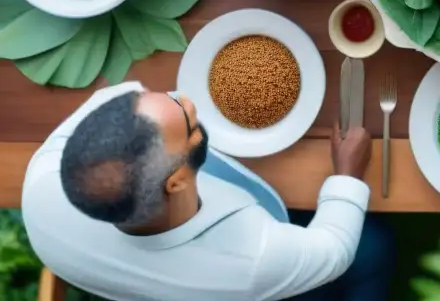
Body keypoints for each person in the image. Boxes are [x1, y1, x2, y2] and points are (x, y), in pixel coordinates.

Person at [21, 82, 390, 301]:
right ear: (177, 181)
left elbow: (120, 93)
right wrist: (348, 173)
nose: (189, 100)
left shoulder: (42, 184)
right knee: (373, 248)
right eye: (187, 122)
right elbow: (335, 251)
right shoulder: (253, 259)